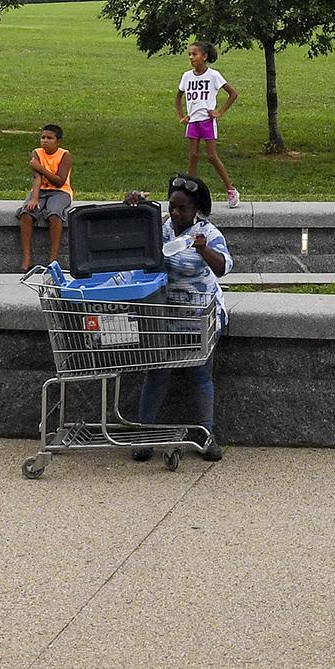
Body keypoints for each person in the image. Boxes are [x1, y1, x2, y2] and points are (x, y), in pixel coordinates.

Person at [127, 185, 231, 462]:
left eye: (182, 208)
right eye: (172, 206)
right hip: (164, 315)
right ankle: (145, 434)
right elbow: (135, 242)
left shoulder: (208, 233)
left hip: (198, 318)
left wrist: (203, 249)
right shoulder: (161, 229)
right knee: (157, 373)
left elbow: (223, 267)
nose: (175, 212)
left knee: (200, 375)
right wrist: (133, 209)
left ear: (196, 209)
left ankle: (206, 435)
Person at [177, 41, 240, 208]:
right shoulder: (187, 76)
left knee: (212, 156)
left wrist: (219, 112)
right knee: (193, 156)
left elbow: (233, 94)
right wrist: (182, 116)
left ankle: (231, 189)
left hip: (207, 121)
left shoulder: (213, 75)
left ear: (204, 56)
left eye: (194, 54)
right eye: (189, 54)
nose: (191, 57)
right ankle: (189, 193)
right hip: (193, 122)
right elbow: (178, 97)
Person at [17, 124, 73, 269]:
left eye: (49, 138)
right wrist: (34, 198)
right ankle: (27, 258)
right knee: (27, 213)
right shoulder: (36, 153)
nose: (45, 141)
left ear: (58, 141)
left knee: (54, 214)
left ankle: (53, 259)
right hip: (40, 191)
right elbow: (37, 178)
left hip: (60, 192)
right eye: (43, 137)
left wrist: (41, 168)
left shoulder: (65, 155)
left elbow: (60, 181)